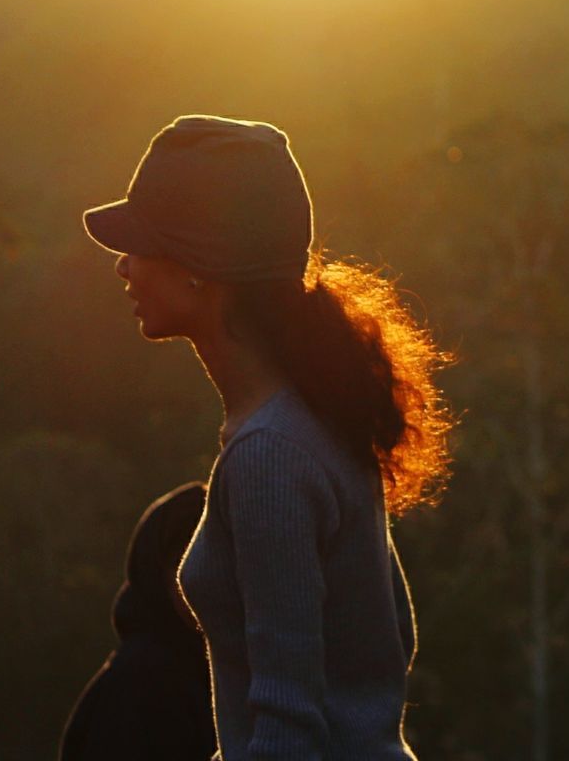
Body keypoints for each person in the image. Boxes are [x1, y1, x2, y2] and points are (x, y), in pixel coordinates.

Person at [83, 114, 451, 761]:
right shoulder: (319, 416)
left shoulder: (269, 457)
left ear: (199, 269)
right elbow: (390, 627)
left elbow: (285, 729)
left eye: (140, 245)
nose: (122, 267)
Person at [58, 481, 216, 761]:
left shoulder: (223, 667)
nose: (206, 580)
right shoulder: (142, 682)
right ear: (156, 577)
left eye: (220, 563)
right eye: (187, 564)